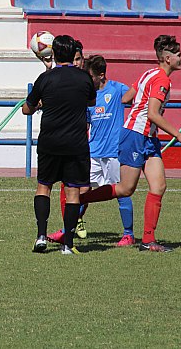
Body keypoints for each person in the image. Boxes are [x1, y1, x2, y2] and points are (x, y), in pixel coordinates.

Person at [78, 35, 181, 252]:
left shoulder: (149, 73)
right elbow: (152, 113)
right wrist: (179, 135)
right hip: (135, 136)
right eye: (179, 55)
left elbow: (127, 98)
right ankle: (80, 199)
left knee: (158, 186)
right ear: (168, 59)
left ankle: (148, 240)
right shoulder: (162, 80)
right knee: (125, 189)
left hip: (148, 138)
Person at [48, 55, 138, 246]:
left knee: (122, 193)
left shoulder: (117, 89)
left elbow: (137, 98)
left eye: (91, 77)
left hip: (114, 152)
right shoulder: (88, 96)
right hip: (93, 152)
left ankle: (128, 234)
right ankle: (67, 231)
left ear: (102, 75)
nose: (88, 81)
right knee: (80, 193)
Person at [22, 35, 97, 255]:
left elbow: (27, 108)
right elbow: (91, 101)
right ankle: (67, 243)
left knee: (44, 187)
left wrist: (39, 104)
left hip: (50, 142)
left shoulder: (45, 79)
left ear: (53, 54)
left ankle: (41, 236)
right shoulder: (83, 78)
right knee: (73, 192)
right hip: (76, 143)